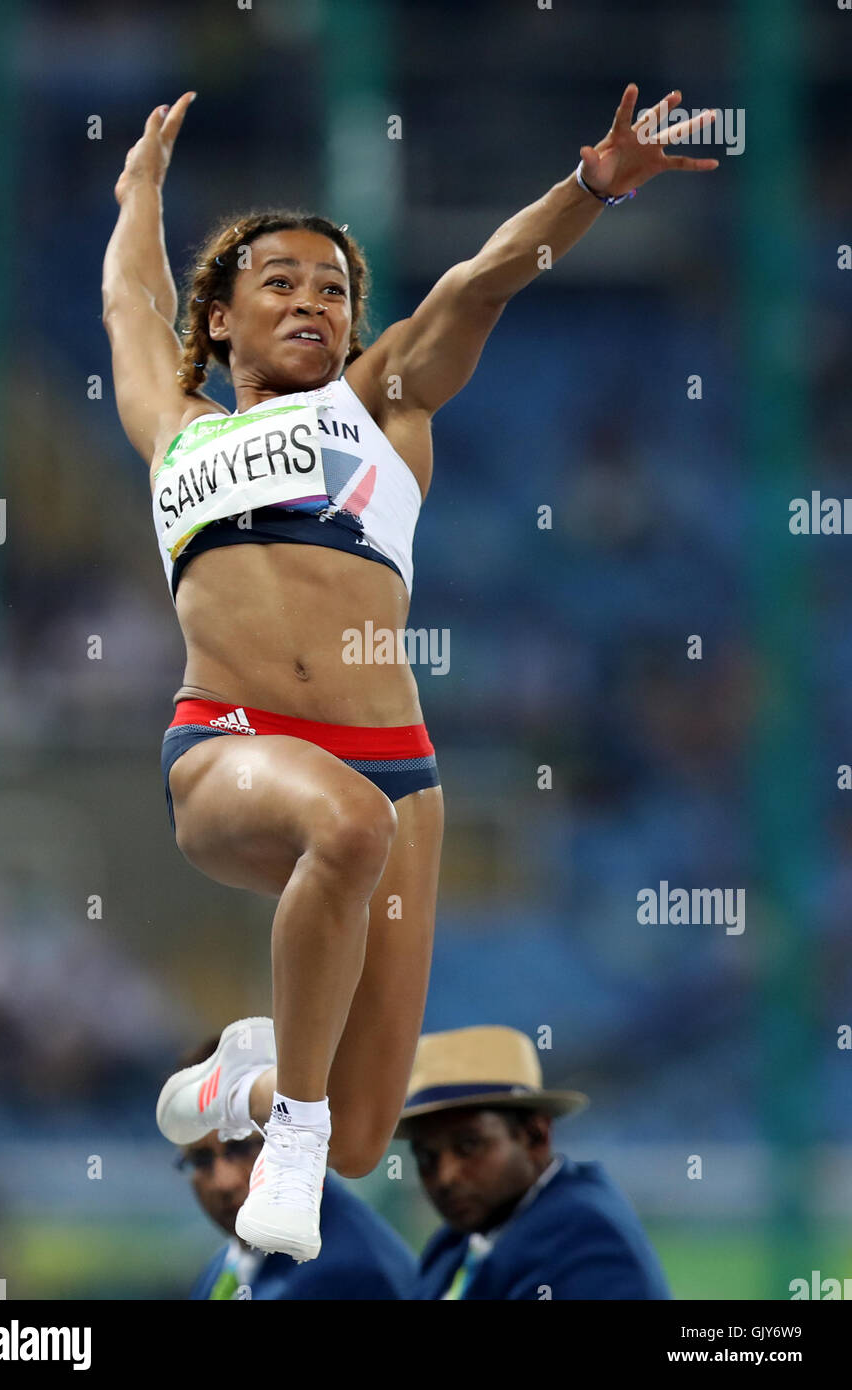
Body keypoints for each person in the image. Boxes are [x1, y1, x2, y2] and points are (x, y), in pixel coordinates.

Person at [101, 84, 718, 1264]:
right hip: (227, 744)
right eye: (280, 280)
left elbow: (479, 280)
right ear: (221, 318)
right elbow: (130, 303)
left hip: (398, 769)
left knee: (363, 1133)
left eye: (333, 287)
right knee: (340, 828)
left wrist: (589, 189)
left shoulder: (380, 401)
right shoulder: (175, 430)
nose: (314, 301)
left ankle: (270, 1081)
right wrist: (139, 193)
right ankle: (289, 1116)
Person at [398, 1026, 671, 1299]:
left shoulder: (584, 1239)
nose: (446, 1176)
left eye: (469, 1146)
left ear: (535, 1135)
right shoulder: (458, 1239)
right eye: (426, 1157)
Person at [174, 1037, 415, 1299]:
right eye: (201, 1160)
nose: (224, 1182)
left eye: (244, 1148)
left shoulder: (347, 1275)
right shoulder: (228, 1263)